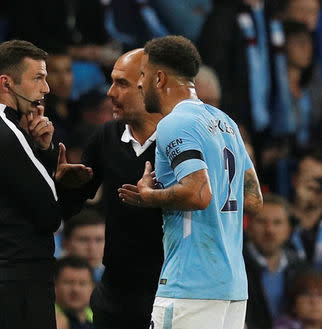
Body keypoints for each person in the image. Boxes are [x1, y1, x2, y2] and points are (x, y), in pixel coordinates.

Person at [119, 35, 263, 329]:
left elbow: (198, 193)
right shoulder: (226, 123)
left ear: (159, 78)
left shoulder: (175, 122)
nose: (139, 84)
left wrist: (149, 197)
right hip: (232, 288)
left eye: (143, 75)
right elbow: (253, 199)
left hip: (190, 286)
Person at [0, 39, 72, 329]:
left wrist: (38, 147)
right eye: (38, 78)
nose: (46, 88)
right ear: (6, 82)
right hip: (22, 285)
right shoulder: (7, 132)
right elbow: (51, 215)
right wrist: (47, 154)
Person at [57, 48, 163, 329]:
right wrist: (65, 185)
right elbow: (69, 206)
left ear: (149, 86)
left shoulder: (182, 139)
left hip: (168, 292)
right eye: (112, 82)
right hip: (115, 295)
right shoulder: (105, 136)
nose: (110, 93)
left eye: (122, 84)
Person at [244, 194, 306, 329]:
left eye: (277, 223)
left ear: (288, 230)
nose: (269, 230)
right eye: (262, 221)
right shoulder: (236, 266)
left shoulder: (301, 269)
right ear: (248, 227)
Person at [62, 210, 105, 282]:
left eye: (99, 240)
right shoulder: (49, 278)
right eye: (83, 240)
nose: (92, 248)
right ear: (65, 243)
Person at [54, 256, 94, 329]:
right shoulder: (47, 317)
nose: (76, 289)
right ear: (54, 286)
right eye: (68, 282)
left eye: (82, 283)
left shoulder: (97, 316)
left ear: (92, 288)